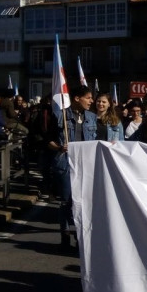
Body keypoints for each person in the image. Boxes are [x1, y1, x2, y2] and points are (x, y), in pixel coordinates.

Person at [46, 85, 97, 250]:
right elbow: (48, 141)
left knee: (85, 200)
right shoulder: (59, 115)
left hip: (86, 163)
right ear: (77, 98)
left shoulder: (91, 117)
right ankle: (66, 232)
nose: (91, 101)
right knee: (68, 200)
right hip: (66, 162)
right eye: (88, 98)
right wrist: (60, 147)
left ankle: (81, 234)